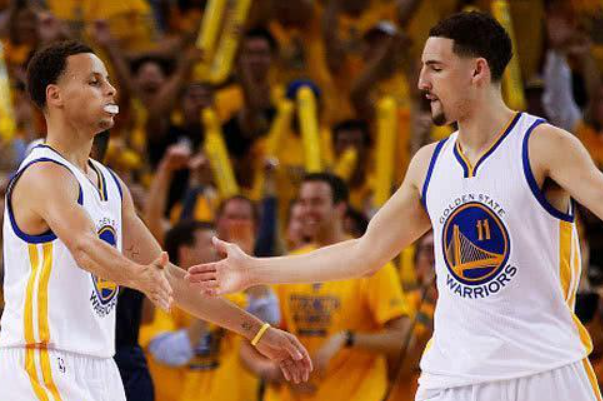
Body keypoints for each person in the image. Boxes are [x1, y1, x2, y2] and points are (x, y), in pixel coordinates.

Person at [188, 11, 603, 401]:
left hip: (545, 371)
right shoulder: (429, 164)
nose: (422, 81)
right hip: (454, 378)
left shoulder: (543, 145)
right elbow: (364, 252)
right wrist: (253, 270)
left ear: (477, 71)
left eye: (435, 68)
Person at [0, 40, 311, 401]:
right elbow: (84, 247)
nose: (111, 90)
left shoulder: (111, 184)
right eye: (94, 81)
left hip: (101, 367)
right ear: (55, 95)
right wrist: (139, 277)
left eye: (108, 81)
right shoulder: (43, 174)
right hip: (40, 360)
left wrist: (258, 332)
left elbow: (172, 279)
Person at [241, 173, 409, 401]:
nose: (307, 210)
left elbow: (403, 339)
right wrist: (268, 370)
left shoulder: (372, 264)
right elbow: (248, 341)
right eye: (303, 202)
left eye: (317, 202)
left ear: (340, 208)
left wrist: (347, 339)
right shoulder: (289, 263)